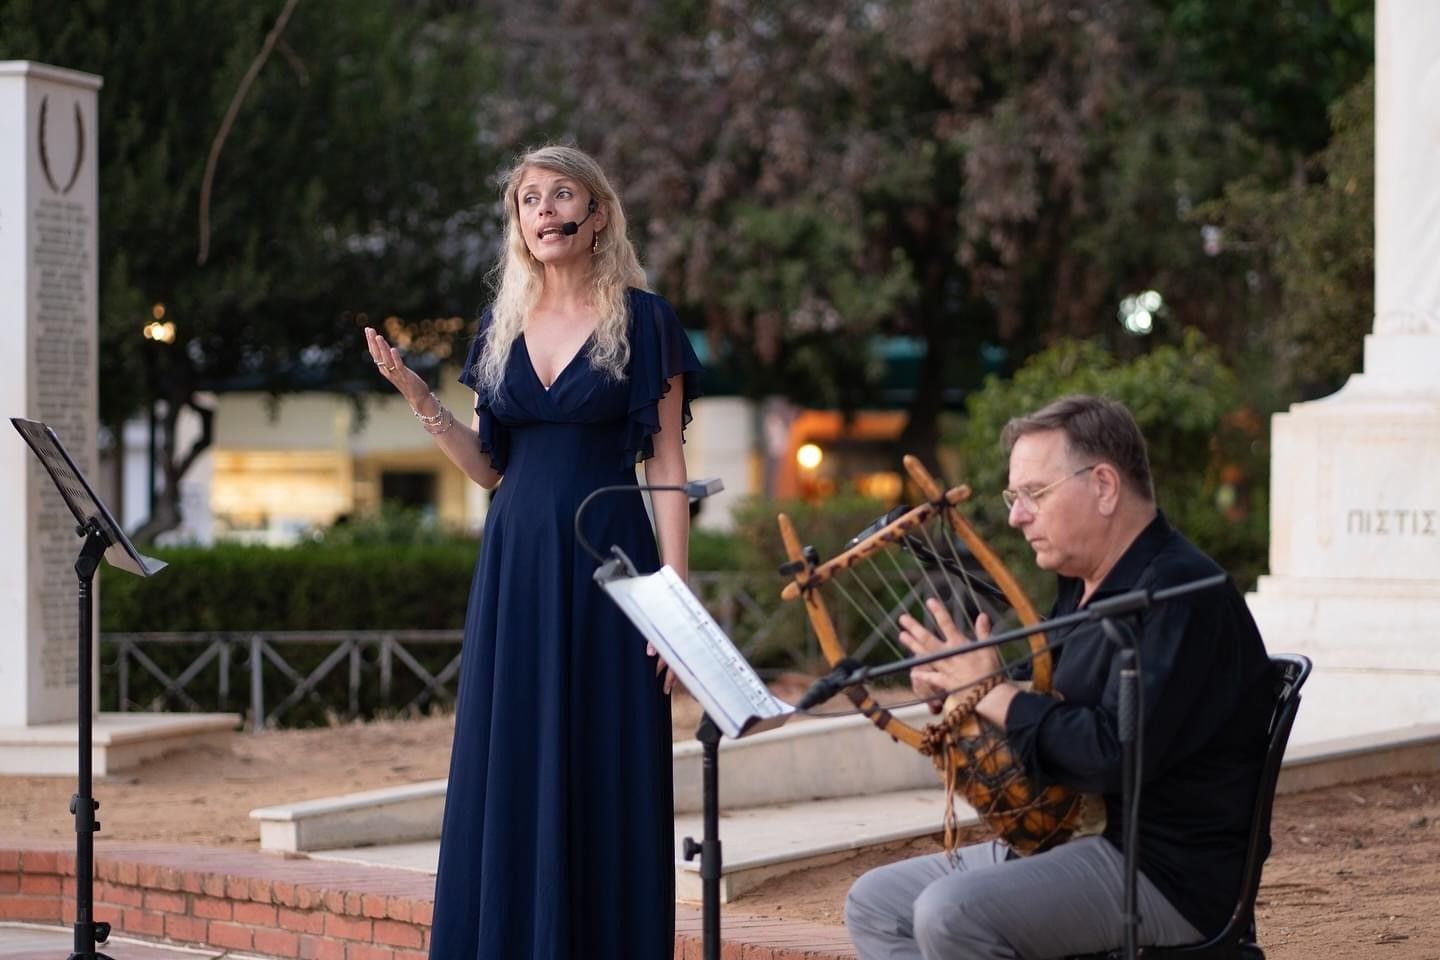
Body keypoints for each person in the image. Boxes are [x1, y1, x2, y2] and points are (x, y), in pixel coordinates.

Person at [364, 144, 702, 960]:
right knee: (512, 756)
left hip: (609, 563)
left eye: (562, 194)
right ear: (518, 224)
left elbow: (666, 466)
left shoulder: (646, 320)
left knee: (606, 759)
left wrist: (675, 599)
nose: (544, 210)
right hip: (515, 567)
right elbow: (491, 468)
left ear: (598, 215)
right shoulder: (501, 324)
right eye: (529, 199)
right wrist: (420, 399)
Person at [845, 394, 1273, 959]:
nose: (1017, 516)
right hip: (1069, 837)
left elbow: (1113, 755)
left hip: (1161, 869)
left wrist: (991, 692)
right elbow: (1040, 692)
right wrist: (959, 684)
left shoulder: (1179, 595)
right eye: (1014, 497)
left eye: (1035, 494)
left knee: (949, 913)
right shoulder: (1082, 585)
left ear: (1104, 486)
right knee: (874, 903)